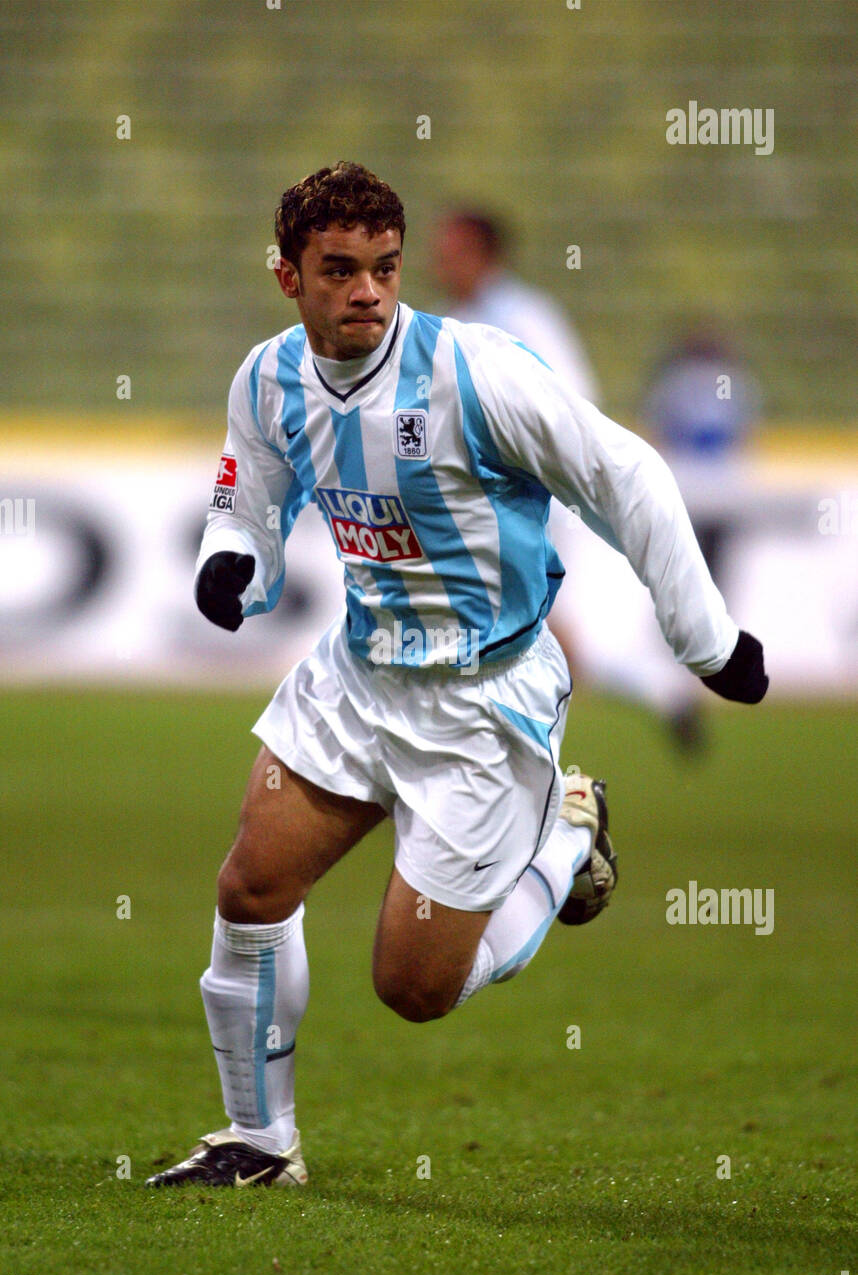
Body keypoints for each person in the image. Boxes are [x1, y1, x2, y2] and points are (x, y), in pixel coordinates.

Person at [146, 163, 768, 1189]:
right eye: (338, 270)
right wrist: (234, 567)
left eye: (384, 268)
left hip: (483, 700)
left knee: (413, 988)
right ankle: (259, 1144)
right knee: (251, 886)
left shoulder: (475, 373)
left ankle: (566, 833)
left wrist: (705, 642)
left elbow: (628, 479)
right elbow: (248, 498)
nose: (367, 292)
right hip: (357, 677)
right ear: (287, 278)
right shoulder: (265, 378)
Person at [430, 208, 598, 401]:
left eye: (456, 254)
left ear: (482, 254)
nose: (442, 265)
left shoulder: (525, 315)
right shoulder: (442, 318)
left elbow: (573, 393)